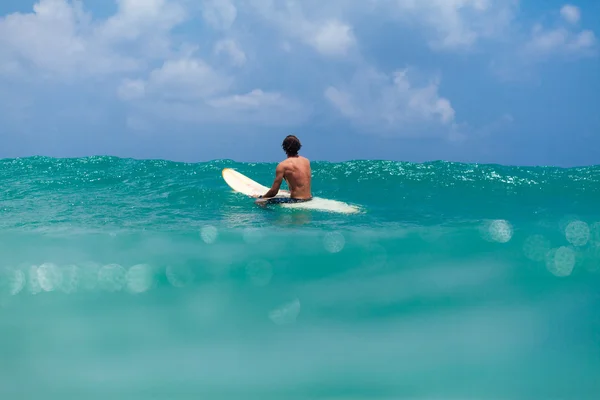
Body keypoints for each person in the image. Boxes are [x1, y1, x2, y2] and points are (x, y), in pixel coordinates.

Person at [254, 135, 312, 204]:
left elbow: (274, 192)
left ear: (284, 148)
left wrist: (261, 197)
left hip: (297, 201)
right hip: (309, 198)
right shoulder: (306, 161)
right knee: (283, 192)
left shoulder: (283, 165)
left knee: (258, 202)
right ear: (298, 146)